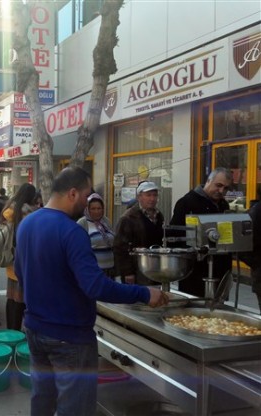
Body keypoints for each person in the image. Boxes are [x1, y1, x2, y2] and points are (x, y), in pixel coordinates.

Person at [14, 167, 168, 416]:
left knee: (42, 399)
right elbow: (95, 285)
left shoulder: (27, 223)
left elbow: (21, 273)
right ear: (73, 193)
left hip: (35, 330)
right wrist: (143, 293)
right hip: (70, 337)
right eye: (87, 196)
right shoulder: (73, 231)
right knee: (75, 408)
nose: (88, 203)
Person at [170, 167, 233, 297]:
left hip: (220, 270)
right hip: (195, 271)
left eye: (226, 188)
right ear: (208, 181)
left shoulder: (223, 205)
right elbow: (174, 236)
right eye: (218, 185)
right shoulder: (187, 202)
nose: (221, 191)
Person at [113, 181, 165, 285]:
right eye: (148, 195)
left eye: (155, 195)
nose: (152, 199)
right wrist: (128, 272)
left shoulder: (159, 216)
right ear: (139, 197)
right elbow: (120, 247)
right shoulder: (128, 218)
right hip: (136, 270)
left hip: (155, 268)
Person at [1, 183, 37, 330]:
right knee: (22, 299)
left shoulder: (8, 210)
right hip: (25, 261)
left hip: (11, 259)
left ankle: (11, 330)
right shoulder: (28, 214)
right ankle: (20, 331)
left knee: (12, 299)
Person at [77, 193, 116, 278]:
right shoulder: (82, 223)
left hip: (110, 269)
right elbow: (79, 247)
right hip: (93, 270)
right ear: (88, 209)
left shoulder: (106, 221)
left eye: (99, 208)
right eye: (93, 209)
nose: (96, 211)